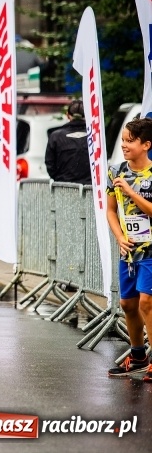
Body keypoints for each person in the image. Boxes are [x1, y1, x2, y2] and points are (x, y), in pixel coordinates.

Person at [106, 117, 152, 380]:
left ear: (146, 145)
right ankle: (137, 357)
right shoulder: (115, 171)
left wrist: (132, 192)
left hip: (151, 250)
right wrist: (119, 236)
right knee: (128, 304)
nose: (124, 145)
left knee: (147, 303)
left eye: (130, 141)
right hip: (129, 249)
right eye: (123, 140)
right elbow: (111, 211)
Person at [45, 100, 90, 184]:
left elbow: (50, 164)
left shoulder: (56, 136)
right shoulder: (95, 136)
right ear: (87, 115)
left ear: (67, 115)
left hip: (64, 187)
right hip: (90, 188)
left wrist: (59, 179)